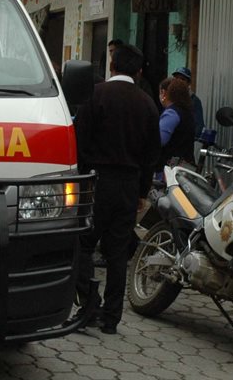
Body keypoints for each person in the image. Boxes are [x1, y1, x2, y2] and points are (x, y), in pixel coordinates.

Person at [69, 43, 160, 334]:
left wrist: (79, 178)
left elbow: (79, 141)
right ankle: (111, 317)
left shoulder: (96, 95)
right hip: (129, 185)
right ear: (140, 71)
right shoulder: (147, 104)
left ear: (112, 66)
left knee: (81, 243)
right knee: (117, 253)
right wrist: (142, 193)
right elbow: (151, 155)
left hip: (96, 182)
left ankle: (89, 303)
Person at [156, 77, 195, 169]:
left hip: (170, 170)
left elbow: (158, 140)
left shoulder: (171, 113)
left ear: (163, 92)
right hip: (185, 166)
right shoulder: (187, 111)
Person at [171, 67, 206, 137]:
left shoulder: (194, 101)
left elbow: (199, 126)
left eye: (182, 79)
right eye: (176, 78)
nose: (179, 81)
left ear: (188, 83)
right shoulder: (169, 98)